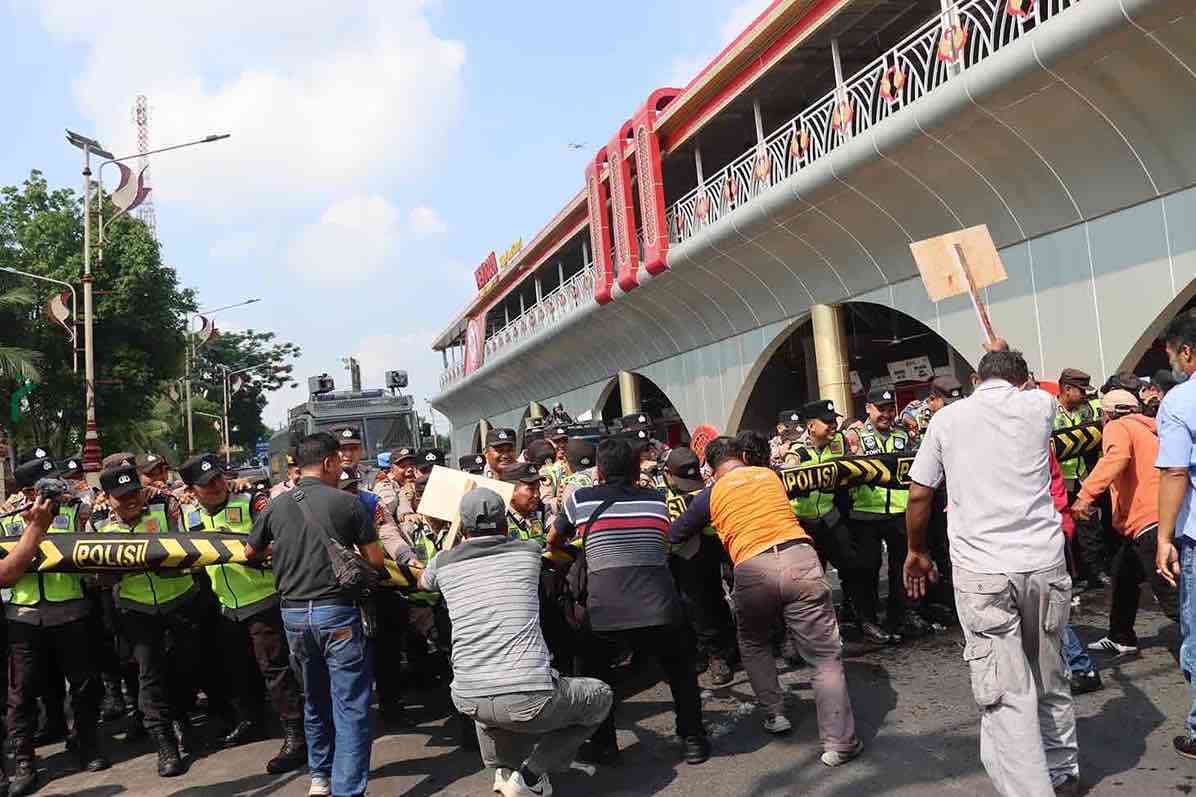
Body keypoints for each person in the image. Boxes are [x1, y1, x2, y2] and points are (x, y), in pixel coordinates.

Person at [905, 347, 1079, 796]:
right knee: (1049, 671)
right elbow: (1030, 386)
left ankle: (1031, 789)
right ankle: (1062, 771)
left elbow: (920, 494)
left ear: (976, 378)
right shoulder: (1039, 407)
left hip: (983, 570)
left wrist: (916, 550)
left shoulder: (947, 420)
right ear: (1022, 379)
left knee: (1007, 690)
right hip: (1044, 561)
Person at [670, 436, 861, 762]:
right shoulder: (770, 475)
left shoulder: (710, 493)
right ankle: (839, 744)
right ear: (744, 456)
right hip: (800, 558)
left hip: (752, 567)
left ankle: (775, 713)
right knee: (824, 658)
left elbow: (676, 534)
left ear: (711, 470)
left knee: (754, 642)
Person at [420, 487, 612, 797]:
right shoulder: (527, 552)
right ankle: (531, 775)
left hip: (467, 698)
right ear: (504, 522)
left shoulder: (442, 562)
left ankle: (503, 771)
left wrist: (452, 545)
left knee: (489, 696)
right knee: (600, 696)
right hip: (528, 697)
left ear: (464, 526)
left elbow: (423, 582)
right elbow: (549, 548)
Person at [548, 437, 709, 765]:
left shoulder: (580, 500)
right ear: (638, 469)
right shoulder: (657, 500)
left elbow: (555, 538)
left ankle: (604, 744)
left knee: (593, 675)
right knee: (680, 670)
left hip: (606, 611)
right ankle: (692, 738)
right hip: (660, 605)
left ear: (600, 471)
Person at [246, 431, 384, 797]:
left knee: (315, 699)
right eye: (339, 461)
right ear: (327, 463)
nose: (343, 469)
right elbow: (375, 561)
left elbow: (249, 552)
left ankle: (319, 778)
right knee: (351, 705)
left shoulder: (275, 505)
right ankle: (348, 790)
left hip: (293, 617)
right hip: (337, 615)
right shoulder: (348, 504)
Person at [177, 453, 307, 772]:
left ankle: (297, 735)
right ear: (192, 490)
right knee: (238, 670)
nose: (218, 486)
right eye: (208, 485)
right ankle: (252, 721)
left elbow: (284, 539)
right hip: (226, 606)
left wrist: (254, 553)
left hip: (264, 599)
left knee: (275, 671)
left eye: (220, 478)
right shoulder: (188, 516)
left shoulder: (249, 502)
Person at [2, 456, 109, 795]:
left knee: (84, 684)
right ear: (27, 488)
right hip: (23, 613)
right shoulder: (7, 515)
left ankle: (85, 743)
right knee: (21, 694)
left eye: (55, 481)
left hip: (71, 609)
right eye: (43, 484)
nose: (53, 489)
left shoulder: (76, 508)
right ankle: (23, 761)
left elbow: (93, 549)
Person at [92, 462, 200, 779]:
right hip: (136, 610)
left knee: (185, 668)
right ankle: (165, 744)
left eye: (135, 493)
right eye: (122, 496)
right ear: (107, 498)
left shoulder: (165, 506)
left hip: (180, 601)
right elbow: (95, 575)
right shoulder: (98, 526)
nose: (132, 501)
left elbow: (190, 546)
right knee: (149, 676)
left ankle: (183, 719)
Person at [1070, 391, 1176, 656]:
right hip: (1165, 514)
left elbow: (1115, 459)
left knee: (1173, 596)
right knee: (1124, 576)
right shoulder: (1152, 428)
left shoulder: (1117, 427)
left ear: (1106, 415)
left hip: (1148, 520)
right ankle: (1121, 636)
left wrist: (1085, 496)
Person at [845, 386, 925, 640]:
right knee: (868, 568)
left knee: (901, 566)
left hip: (899, 511)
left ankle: (900, 615)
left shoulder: (903, 434)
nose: (887, 415)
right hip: (865, 512)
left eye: (891, 409)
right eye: (881, 409)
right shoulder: (853, 437)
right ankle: (867, 620)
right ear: (868, 408)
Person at [1152, 312, 1196, 761]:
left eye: (1171, 355)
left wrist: (1164, 537)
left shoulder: (1182, 401)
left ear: (1187, 352)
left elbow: (1175, 471)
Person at [658, 446, 738, 686]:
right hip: (677, 557)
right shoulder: (657, 494)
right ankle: (704, 651)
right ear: (667, 474)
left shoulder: (709, 489)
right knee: (690, 606)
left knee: (712, 601)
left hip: (709, 550)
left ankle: (720, 652)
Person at [1055, 367, 1108, 589]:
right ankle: (1068, 575)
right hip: (1058, 482)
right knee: (1062, 531)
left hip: (1082, 478)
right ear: (1067, 389)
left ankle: (1094, 572)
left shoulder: (1087, 408)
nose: (1085, 395)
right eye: (1081, 390)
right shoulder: (1050, 412)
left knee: (1089, 527)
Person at [501, 462, 547, 545]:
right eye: (531, 489)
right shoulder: (499, 518)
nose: (537, 495)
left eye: (538, 489)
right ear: (511, 490)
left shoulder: (542, 510)